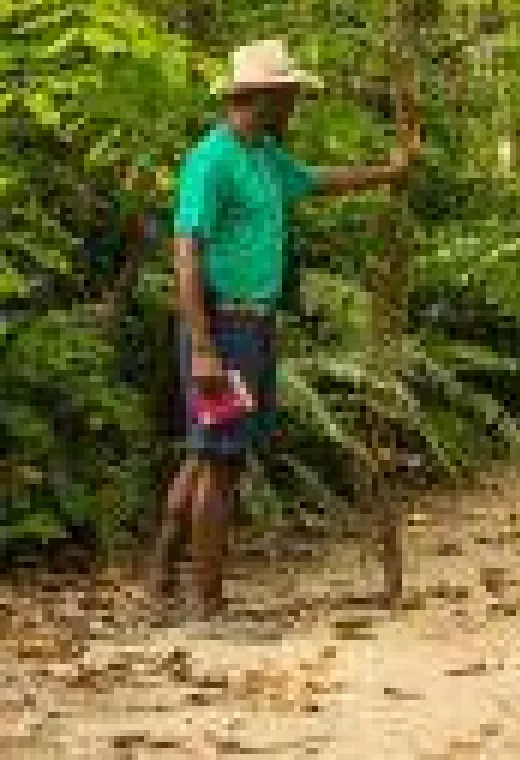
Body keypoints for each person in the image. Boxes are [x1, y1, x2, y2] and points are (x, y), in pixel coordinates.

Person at [150, 38, 415, 618]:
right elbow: (187, 256)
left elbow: (318, 180)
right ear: (262, 97)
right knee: (222, 459)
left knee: (207, 449)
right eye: (289, 95)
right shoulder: (211, 161)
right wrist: (203, 348)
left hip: (252, 326)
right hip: (222, 328)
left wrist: (388, 173)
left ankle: (164, 576)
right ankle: (208, 603)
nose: (295, 104)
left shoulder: (264, 156)